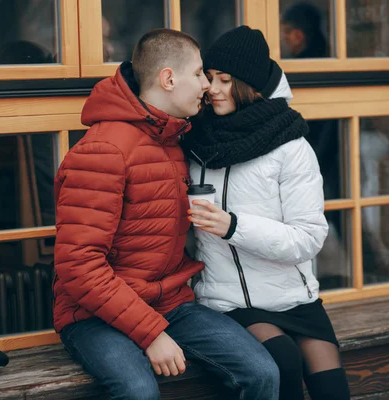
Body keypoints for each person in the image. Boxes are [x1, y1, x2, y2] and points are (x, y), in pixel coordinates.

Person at [52, 28, 280, 400]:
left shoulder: (171, 138)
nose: (207, 85)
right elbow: (79, 266)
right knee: (138, 391)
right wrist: (152, 334)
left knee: (262, 372)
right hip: (93, 315)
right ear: (168, 79)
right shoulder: (103, 151)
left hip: (169, 302)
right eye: (199, 74)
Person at [184, 26, 351, 400]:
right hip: (231, 301)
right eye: (209, 78)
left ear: (250, 86)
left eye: (225, 80)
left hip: (295, 297)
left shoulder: (291, 147)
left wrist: (234, 227)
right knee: (283, 362)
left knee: (332, 389)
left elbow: (308, 237)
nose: (213, 88)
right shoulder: (195, 142)